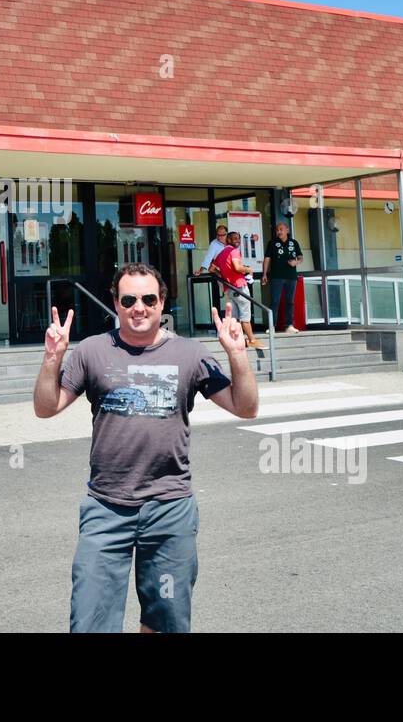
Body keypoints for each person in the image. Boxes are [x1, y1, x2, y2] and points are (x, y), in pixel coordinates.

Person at [33, 262, 259, 633]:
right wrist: (52, 359)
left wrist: (237, 354)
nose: (139, 307)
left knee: (166, 620)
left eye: (148, 299)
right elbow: (46, 407)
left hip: (169, 509)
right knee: (90, 619)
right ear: (116, 303)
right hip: (106, 508)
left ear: (162, 302)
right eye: (129, 299)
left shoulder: (191, 353)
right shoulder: (91, 351)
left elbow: (246, 407)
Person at [211, 231, 266, 350]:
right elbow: (237, 267)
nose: (237, 240)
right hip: (240, 287)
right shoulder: (234, 251)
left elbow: (211, 268)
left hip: (230, 289)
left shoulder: (221, 254)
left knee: (234, 318)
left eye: (238, 239)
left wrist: (223, 275)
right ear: (228, 241)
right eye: (234, 238)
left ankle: (237, 339)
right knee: (245, 316)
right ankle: (252, 340)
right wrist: (248, 269)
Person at [262, 221, 303, 334]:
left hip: (291, 276)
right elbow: (267, 259)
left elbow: (300, 257)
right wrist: (264, 274)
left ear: (287, 230)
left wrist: (296, 262)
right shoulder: (272, 243)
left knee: (290, 301)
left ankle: (289, 325)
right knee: (275, 301)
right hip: (276, 276)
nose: (279, 232)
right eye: (277, 230)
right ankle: (272, 326)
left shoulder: (294, 243)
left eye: (281, 229)